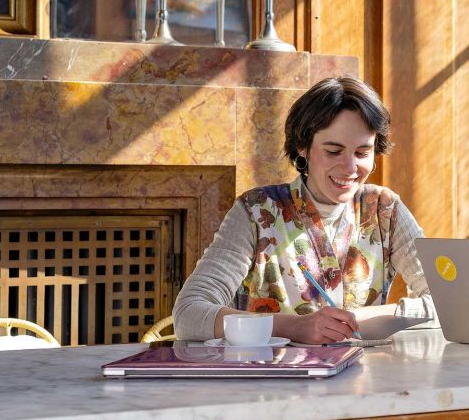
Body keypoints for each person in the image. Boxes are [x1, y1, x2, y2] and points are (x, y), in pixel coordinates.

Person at [173, 76, 435, 344]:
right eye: (333, 151)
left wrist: (362, 317)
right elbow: (189, 314)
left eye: (362, 152)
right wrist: (292, 327)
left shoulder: (385, 210)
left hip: (365, 380)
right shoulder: (256, 212)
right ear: (303, 148)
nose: (350, 168)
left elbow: (450, 303)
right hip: (269, 380)